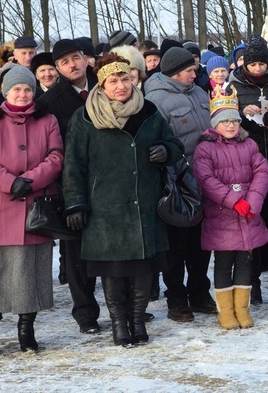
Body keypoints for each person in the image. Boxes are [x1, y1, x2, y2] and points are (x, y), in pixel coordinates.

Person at [64, 54, 183, 347]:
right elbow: (73, 165)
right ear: (102, 85)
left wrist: (165, 151)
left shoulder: (149, 111)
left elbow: (175, 145)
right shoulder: (85, 117)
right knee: (113, 269)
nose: (121, 85)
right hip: (104, 206)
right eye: (113, 80)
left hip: (143, 202)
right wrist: (75, 202)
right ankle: (119, 324)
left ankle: (138, 320)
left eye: (125, 78)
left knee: (144, 267)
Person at [0, 65, 63, 357]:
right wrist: (10, 182)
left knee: (31, 271)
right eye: (16, 89)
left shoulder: (47, 119)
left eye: (27, 89)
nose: (22, 94)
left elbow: (56, 156)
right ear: (5, 92)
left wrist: (30, 180)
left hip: (36, 205)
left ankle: (26, 330)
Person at [144, 46, 216, 323]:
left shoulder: (199, 92)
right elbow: (156, 139)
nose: (194, 74)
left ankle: (199, 292)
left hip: (205, 178)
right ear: (175, 72)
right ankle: (176, 297)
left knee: (201, 244)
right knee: (176, 246)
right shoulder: (155, 99)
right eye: (189, 70)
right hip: (176, 182)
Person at [37, 38, 102, 333]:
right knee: (76, 252)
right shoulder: (50, 101)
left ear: (85, 58)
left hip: (110, 180)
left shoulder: (106, 84)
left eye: (76, 58)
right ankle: (85, 312)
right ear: (57, 68)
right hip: (72, 184)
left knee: (114, 247)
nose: (73, 65)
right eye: (64, 62)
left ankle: (121, 305)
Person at [193, 87, 268, 329]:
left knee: (246, 261)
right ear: (215, 123)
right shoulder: (205, 148)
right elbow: (206, 180)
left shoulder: (248, 144)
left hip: (248, 214)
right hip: (222, 216)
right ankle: (225, 310)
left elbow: (261, 171)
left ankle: (241, 308)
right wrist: (233, 200)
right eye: (225, 121)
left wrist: (253, 202)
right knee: (224, 262)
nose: (231, 126)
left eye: (234, 120)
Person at [228, 33, 268, 305]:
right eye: (253, 65)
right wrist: (243, 112)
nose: (257, 69)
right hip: (247, 163)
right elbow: (224, 118)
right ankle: (251, 284)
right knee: (250, 225)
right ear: (245, 65)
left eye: (262, 65)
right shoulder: (234, 86)